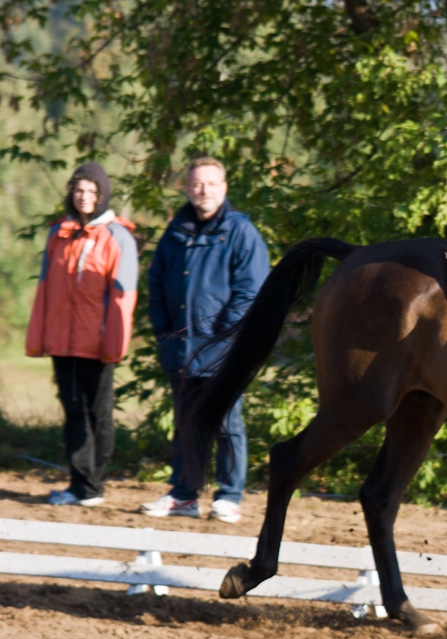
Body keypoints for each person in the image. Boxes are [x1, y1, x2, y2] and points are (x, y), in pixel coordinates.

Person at [141, 157, 269, 523]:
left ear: (224, 188)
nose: (204, 190)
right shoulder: (175, 231)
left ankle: (228, 497)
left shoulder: (240, 232)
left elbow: (250, 292)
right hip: (181, 349)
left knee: (227, 424)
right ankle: (184, 494)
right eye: (197, 184)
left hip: (224, 350)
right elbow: (157, 285)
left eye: (211, 184)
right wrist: (165, 333)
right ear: (187, 188)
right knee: (187, 424)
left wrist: (221, 336)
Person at [26, 162, 139, 506]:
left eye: (92, 191)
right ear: (70, 193)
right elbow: (45, 288)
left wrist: (114, 343)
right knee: (73, 411)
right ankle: (81, 485)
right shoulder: (58, 233)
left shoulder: (118, 236)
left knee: (98, 413)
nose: (84, 197)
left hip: (98, 342)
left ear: (103, 195)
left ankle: (92, 486)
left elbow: (124, 296)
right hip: (63, 342)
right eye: (79, 190)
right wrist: (41, 335)